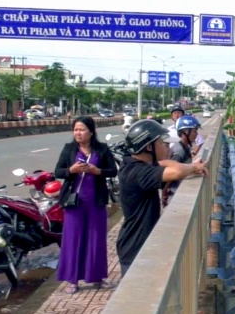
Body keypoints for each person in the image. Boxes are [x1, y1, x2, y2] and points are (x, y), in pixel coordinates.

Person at [116, 119, 207, 277]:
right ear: (149, 147)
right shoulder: (138, 172)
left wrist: (191, 166)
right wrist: (193, 167)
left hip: (138, 242)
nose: (167, 146)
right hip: (135, 245)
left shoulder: (137, 164)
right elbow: (177, 171)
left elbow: (166, 163)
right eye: (162, 143)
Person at [54, 116, 119, 294]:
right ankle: (72, 280)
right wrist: (71, 170)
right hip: (74, 202)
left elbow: (113, 170)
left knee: (96, 239)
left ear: (91, 132)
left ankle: (97, 277)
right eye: (75, 130)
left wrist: (97, 171)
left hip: (95, 201)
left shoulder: (102, 149)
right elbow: (58, 171)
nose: (78, 133)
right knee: (72, 240)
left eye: (81, 130)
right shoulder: (69, 149)